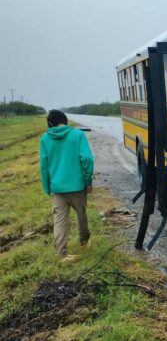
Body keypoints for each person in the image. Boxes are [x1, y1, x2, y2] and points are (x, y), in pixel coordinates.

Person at [40, 110, 94, 261]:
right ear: (66, 120)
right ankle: (83, 242)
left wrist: (47, 187)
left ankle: (61, 254)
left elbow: (44, 165)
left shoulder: (45, 139)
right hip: (77, 186)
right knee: (81, 215)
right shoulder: (77, 135)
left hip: (57, 188)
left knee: (60, 221)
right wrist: (88, 181)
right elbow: (87, 159)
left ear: (50, 124)